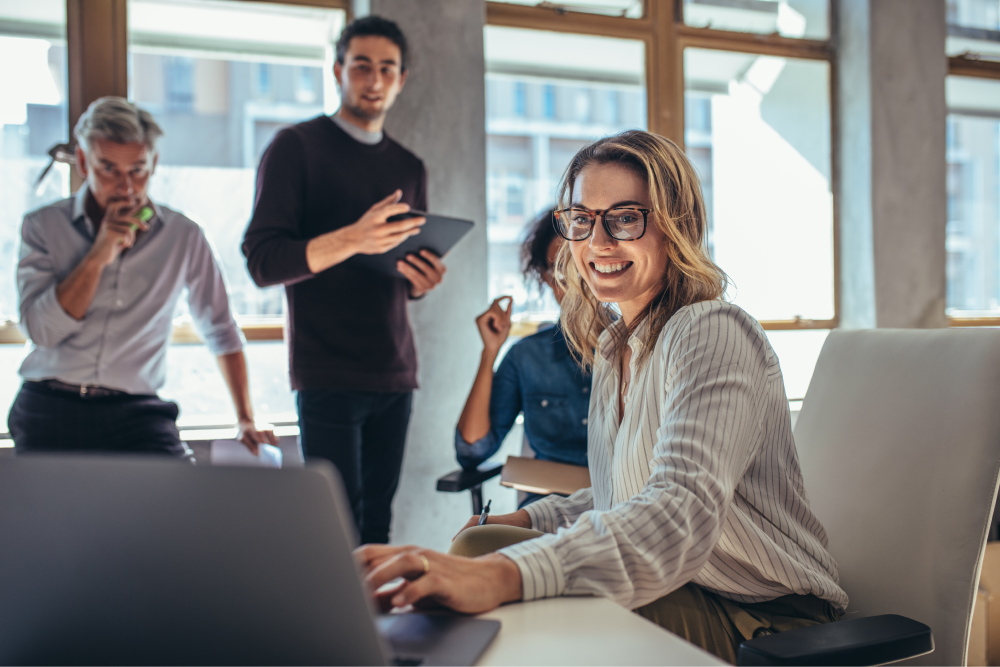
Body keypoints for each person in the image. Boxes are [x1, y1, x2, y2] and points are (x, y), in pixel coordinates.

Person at [355, 130, 847, 665]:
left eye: (626, 217)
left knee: (519, 600)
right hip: (687, 588)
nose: (598, 243)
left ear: (676, 226)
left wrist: (505, 575)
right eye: (582, 219)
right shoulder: (615, 347)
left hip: (761, 615)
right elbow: (622, 493)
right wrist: (528, 522)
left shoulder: (713, 331)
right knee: (479, 545)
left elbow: (676, 511)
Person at [242, 16, 446, 545]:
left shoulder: (410, 165)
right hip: (326, 371)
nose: (374, 80)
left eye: (387, 69)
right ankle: (337, 630)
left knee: (377, 528)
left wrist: (421, 279)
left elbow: (398, 270)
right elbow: (263, 261)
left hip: (395, 370)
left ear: (402, 79)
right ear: (338, 70)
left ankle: (377, 631)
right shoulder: (296, 146)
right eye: (361, 66)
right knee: (336, 531)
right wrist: (353, 237)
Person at [10, 97, 275, 458]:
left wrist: (246, 418)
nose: (126, 187)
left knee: (176, 506)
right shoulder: (42, 227)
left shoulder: (184, 235)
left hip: (136, 410)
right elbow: (42, 332)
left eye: (138, 170)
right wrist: (97, 256)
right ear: (84, 162)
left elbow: (220, 328)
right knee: (54, 515)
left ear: (154, 164)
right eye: (109, 169)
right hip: (50, 403)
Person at [455, 209, 590, 507]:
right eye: (557, 271)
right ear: (544, 278)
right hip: (544, 511)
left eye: (578, 267)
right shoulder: (527, 356)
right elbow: (472, 450)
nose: (571, 282)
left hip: (620, 510)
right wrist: (489, 352)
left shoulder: (639, 348)